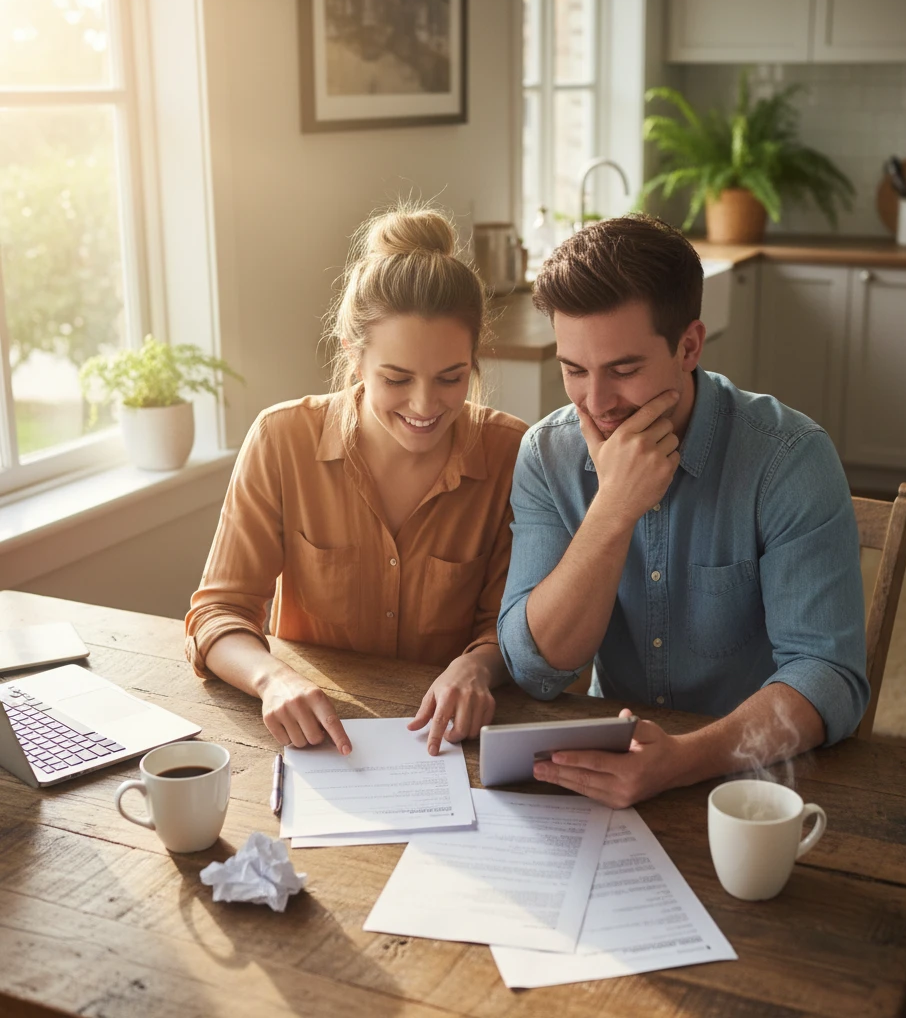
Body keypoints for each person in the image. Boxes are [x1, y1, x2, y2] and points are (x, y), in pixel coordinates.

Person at [497, 215, 867, 809]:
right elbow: (535, 668)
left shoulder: (790, 459)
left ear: (689, 346)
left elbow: (827, 675)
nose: (597, 402)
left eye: (624, 369)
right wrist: (613, 509)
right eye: (574, 370)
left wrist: (682, 760)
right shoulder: (547, 455)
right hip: (611, 774)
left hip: (757, 782)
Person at [186, 206, 527, 756]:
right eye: (397, 378)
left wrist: (477, 668)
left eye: (451, 377)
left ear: (473, 359)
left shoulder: (511, 453)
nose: (425, 405)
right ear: (354, 355)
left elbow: (509, 626)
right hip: (316, 741)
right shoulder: (282, 440)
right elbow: (217, 613)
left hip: (449, 747)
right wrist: (272, 679)